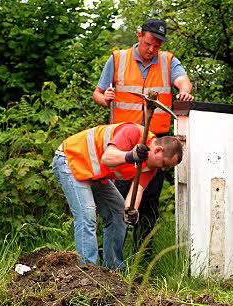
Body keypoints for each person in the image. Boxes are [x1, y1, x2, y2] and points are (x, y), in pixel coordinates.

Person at [93, 19, 193, 250]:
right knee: (117, 199)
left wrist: (185, 92)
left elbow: (183, 81)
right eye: (149, 43)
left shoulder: (168, 61)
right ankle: (109, 252)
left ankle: (143, 255)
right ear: (140, 36)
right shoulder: (118, 59)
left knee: (148, 202)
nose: (152, 50)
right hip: (122, 144)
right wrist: (104, 98)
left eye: (157, 46)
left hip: (156, 147)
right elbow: (97, 94)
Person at [52, 122, 183, 271]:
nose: (163, 169)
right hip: (70, 159)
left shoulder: (150, 167)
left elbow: (137, 191)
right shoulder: (133, 132)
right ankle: (87, 272)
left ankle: (113, 271)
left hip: (94, 174)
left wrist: (130, 210)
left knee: (119, 214)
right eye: (164, 163)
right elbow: (107, 158)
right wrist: (130, 155)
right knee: (87, 214)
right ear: (158, 150)